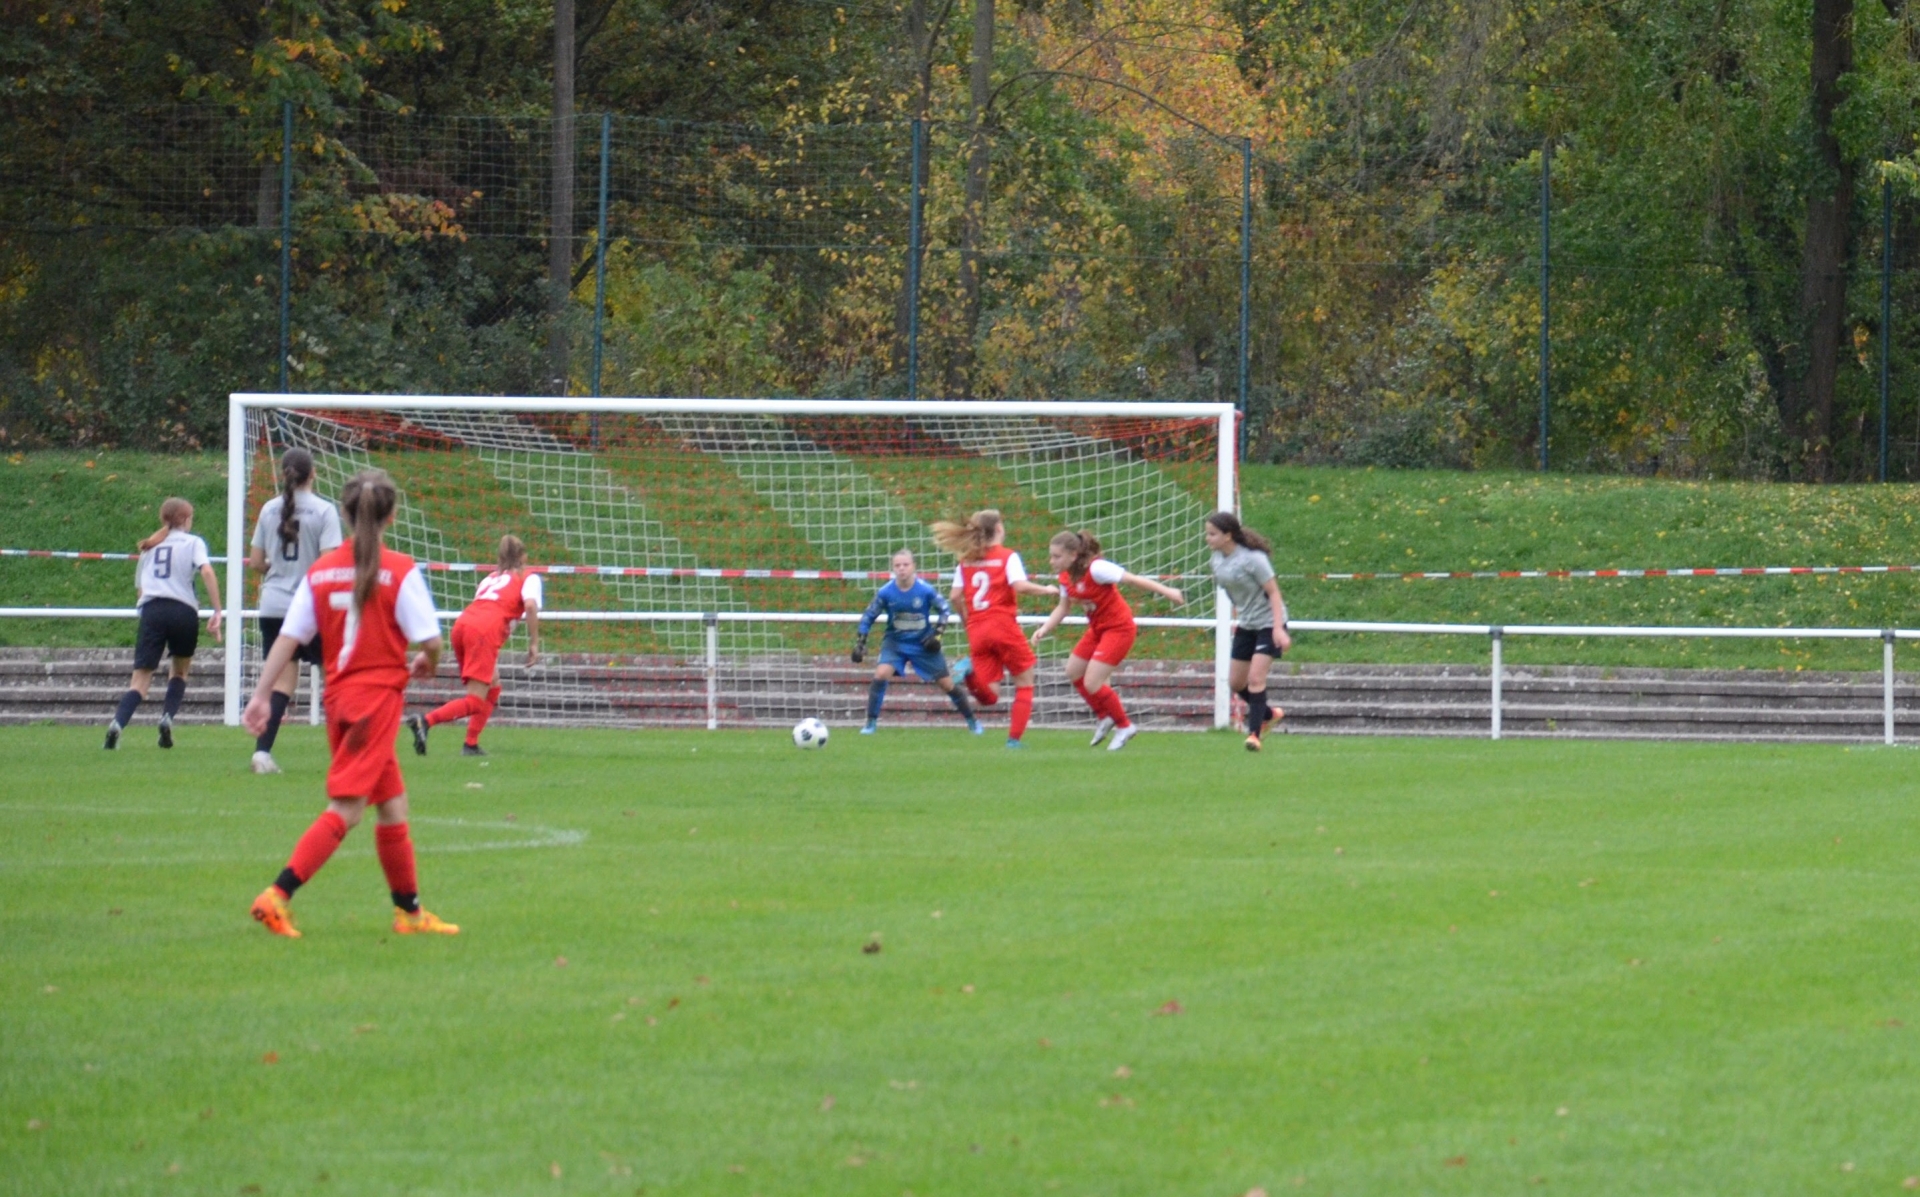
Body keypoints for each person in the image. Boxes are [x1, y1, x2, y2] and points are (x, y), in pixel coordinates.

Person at [243, 469, 456, 939]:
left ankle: (411, 914)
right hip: (374, 703)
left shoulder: (321, 571)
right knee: (348, 809)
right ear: (392, 515)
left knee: (393, 806)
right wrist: (428, 660)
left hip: (340, 700)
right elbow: (431, 638)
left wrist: (260, 695)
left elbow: (290, 637)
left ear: (343, 512)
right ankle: (277, 895)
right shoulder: (398, 570)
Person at [1030, 530, 1184, 752]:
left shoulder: (1097, 569)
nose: (1051, 561)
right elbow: (1063, 607)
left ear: (1073, 555)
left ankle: (1125, 726)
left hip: (1119, 629)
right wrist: (1044, 628)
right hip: (1098, 630)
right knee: (1073, 671)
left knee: (1092, 682)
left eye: (1056, 556)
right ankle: (1105, 717)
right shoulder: (1065, 576)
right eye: (1051, 556)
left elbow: (1133, 579)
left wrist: (1167, 591)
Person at [245, 448, 343, 774]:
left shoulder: (268, 509)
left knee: (282, 684)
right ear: (313, 473)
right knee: (337, 680)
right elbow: (329, 563)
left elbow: (257, 562)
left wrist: (280, 569)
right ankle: (350, 755)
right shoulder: (324, 511)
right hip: (311, 606)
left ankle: (262, 753)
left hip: (273, 604)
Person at [932, 509, 1058, 749]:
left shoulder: (967, 559)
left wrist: (968, 619)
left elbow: (955, 596)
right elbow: (1019, 585)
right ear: (999, 528)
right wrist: (1047, 589)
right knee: (1026, 681)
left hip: (977, 629)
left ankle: (968, 674)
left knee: (989, 696)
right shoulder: (1007, 556)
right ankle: (1014, 740)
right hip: (1002, 625)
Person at [105, 498, 223, 750]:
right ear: (185, 520)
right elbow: (207, 572)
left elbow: (140, 590)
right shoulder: (193, 542)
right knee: (179, 671)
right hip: (183, 611)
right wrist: (217, 610)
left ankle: (117, 723)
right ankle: (167, 718)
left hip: (153, 611)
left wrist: (149, 618)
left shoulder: (149, 547)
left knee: (139, 682)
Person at [407, 535, 540, 757]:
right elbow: (530, 605)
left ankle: (471, 745)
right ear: (524, 556)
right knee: (476, 701)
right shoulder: (528, 577)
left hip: (462, 625)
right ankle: (425, 722)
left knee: (493, 685)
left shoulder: (489, 579)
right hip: (483, 631)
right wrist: (534, 643)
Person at [853, 548, 981, 735]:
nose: (902, 569)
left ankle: (972, 721)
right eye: (897, 565)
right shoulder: (886, 592)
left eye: (905, 565)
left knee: (947, 684)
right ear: (893, 568)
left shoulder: (925, 590)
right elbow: (869, 615)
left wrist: (937, 635)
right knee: (880, 674)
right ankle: (870, 723)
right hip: (895, 643)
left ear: (914, 567)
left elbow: (944, 609)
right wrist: (860, 642)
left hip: (922, 643)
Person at [1205, 511, 1292, 751]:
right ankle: (1268, 714)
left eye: (1212, 534)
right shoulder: (1216, 560)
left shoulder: (1253, 559)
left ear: (1228, 535)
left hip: (1269, 624)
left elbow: (1274, 593)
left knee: (1256, 679)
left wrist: (1278, 629)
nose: (1208, 539)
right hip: (1248, 623)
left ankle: (1254, 735)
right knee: (1235, 682)